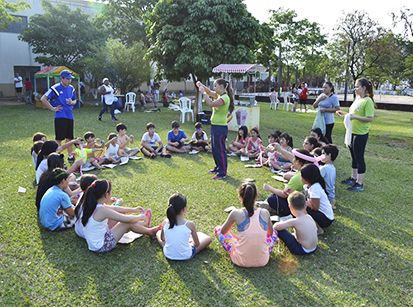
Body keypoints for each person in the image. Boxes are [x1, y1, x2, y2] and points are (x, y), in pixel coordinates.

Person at [77, 179, 157, 253]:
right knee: (126, 223)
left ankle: (144, 225)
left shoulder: (91, 204)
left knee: (124, 219)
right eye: (111, 192)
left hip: (97, 240)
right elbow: (126, 219)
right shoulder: (101, 210)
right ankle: (150, 231)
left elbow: (115, 208)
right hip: (101, 246)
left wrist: (133, 209)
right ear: (106, 194)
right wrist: (140, 216)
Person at [214, 181, 277, 267]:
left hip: (240, 260)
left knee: (218, 229)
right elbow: (270, 233)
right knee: (274, 232)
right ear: (256, 196)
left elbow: (223, 231)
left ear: (240, 196)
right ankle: (261, 248)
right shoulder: (265, 212)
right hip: (263, 260)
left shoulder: (235, 213)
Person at [337, 78, 375, 192]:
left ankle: (360, 183)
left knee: (359, 157)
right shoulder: (357, 99)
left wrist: (354, 117)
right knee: (353, 156)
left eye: (357, 86)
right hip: (352, 132)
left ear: (364, 88)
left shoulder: (368, 101)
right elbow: (352, 114)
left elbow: (369, 118)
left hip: (361, 133)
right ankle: (353, 178)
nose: (355, 88)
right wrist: (344, 114)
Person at [196, 79, 234, 180]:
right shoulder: (219, 95)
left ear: (221, 87)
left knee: (220, 150)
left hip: (220, 128)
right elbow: (209, 92)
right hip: (215, 126)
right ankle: (218, 167)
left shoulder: (225, 98)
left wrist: (203, 92)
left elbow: (210, 103)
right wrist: (202, 85)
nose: (214, 88)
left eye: (215, 86)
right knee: (215, 149)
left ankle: (222, 172)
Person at [156, 193, 212, 260]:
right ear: (184, 209)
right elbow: (197, 244)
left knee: (158, 233)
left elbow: (162, 239)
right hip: (186, 255)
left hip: (168, 254)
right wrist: (191, 243)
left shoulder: (165, 222)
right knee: (207, 238)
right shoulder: (190, 224)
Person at [262, 149, 315, 215]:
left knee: (272, 199)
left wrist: (269, 188)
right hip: (302, 201)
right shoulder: (308, 171)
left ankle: (287, 213)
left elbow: (284, 194)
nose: (293, 161)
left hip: (299, 205)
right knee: (274, 195)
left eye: (294, 159)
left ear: (299, 162)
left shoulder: (299, 177)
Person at [40, 70, 77, 161]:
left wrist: (71, 102)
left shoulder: (71, 88)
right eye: (68, 79)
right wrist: (53, 108)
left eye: (70, 79)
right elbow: (43, 99)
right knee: (59, 138)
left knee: (69, 137)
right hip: (60, 116)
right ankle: (57, 156)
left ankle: (70, 156)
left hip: (70, 116)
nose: (69, 81)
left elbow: (75, 100)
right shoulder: (55, 88)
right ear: (62, 78)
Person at [301, 164, 334, 234]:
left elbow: (315, 207)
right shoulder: (309, 186)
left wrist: (305, 202)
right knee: (302, 204)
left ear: (307, 178)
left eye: (302, 176)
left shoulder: (315, 188)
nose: (300, 178)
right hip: (323, 215)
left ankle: (318, 229)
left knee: (302, 207)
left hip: (326, 219)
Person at [320, 144, 339, 208]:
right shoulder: (332, 167)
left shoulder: (324, 168)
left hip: (325, 194)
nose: (321, 156)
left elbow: (316, 178)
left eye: (323, 154)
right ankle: (331, 202)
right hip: (331, 194)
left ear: (329, 155)